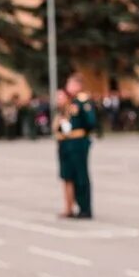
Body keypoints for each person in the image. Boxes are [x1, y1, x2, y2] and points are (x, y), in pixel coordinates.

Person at [63, 74, 95, 219]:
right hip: (71, 142)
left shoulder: (83, 101)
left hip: (80, 142)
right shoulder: (72, 102)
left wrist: (84, 136)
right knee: (74, 176)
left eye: (70, 83)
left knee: (81, 176)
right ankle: (79, 206)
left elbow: (91, 122)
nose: (68, 86)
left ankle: (85, 209)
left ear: (78, 85)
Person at [53, 89, 79, 219]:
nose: (58, 100)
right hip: (62, 146)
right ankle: (68, 206)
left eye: (60, 97)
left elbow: (68, 129)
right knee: (65, 178)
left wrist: (62, 122)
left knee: (69, 178)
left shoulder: (70, 110)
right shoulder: (60, 112)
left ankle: (70, 207)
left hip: (70, 146)